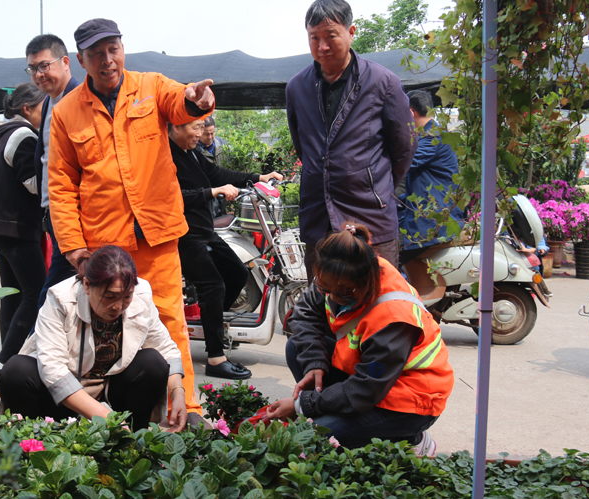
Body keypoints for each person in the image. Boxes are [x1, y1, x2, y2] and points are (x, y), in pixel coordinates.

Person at [48, 18, 215, 424]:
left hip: (157, 236)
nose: (107, 60)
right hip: (107, 247)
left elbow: (181, 103)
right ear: (80, 61)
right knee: (109, 328)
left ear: (123, 49)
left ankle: (186, 408)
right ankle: (111, 415)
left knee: (170, 322)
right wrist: (73, 246)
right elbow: (61, 184)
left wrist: (197, 101)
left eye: (113, 49)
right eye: (96, 54)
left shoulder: (151, 86)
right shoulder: (66, 112)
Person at [266, 223, 453, 455]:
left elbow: (365, 389)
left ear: (366, 280)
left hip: (410, 400)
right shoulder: (337, 273)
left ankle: (410, 437)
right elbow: (304, 313)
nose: (333, 297)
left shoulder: (394, 316)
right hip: (372, 379)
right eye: (325, 288)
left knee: (316, 440)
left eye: (344, 292)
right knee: (296, 348)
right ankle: (343, 420)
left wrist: (301, 405)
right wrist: (315, 363)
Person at [286, 0, 417, 279]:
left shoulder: (383, 82)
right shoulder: (296, 87)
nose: (322, 46)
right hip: (319, 219)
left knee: (378, 296)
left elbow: (404, 146)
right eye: (314, 38)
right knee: (323, 298)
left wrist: (375, 186)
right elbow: (303, 147)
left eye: (330, 36)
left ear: (351, 32)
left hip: (370, 219)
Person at [0, 245, 188, 432]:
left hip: (113, 389)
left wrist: (178, 393)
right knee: (16, 371)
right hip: (62, 397)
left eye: (126, 297)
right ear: (87, 285)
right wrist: (107, 418)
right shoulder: (60, 299)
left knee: (153, 362)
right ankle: (43, 437)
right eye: (110, 296)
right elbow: (53, 369)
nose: (118, 306)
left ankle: (134, 435)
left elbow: (165, 348)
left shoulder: (141, 294)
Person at [169, 119, 283, 379]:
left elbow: (219, 174)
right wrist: (212, 192)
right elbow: (171, 196)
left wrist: (259, 178)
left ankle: (213, 326)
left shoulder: (192, 154)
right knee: (213, 285)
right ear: (176, 127)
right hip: (184, 235)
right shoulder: (166, 156)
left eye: (202, 128)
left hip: (204, 231)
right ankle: (215, 357)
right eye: (195, 128)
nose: (200, 134)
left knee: (237, 273)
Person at [0, 83, 47, 403]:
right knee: (35, 293)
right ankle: (6, 364)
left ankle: (6, 364)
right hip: (16, 229)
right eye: (44, 105)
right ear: (27, 108)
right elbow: (34, 185)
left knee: (13, 294)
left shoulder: (4, 134)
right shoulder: (24, 136)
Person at [24, 34, 82, 310]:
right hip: (54, 211)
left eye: (44, 66)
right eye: (33, 68)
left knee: (53, 295)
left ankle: (36, 337)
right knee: (64, 293)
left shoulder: (80, 99)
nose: (39, 74)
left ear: (66, 62)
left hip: (75, 213)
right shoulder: (49, 101)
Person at [397, 90, 464, 267]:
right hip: (426, 217)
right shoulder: (430, 134)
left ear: (411, 112)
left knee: (384, 259)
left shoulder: (432, 137)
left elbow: (402, 163)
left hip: (431, 223)